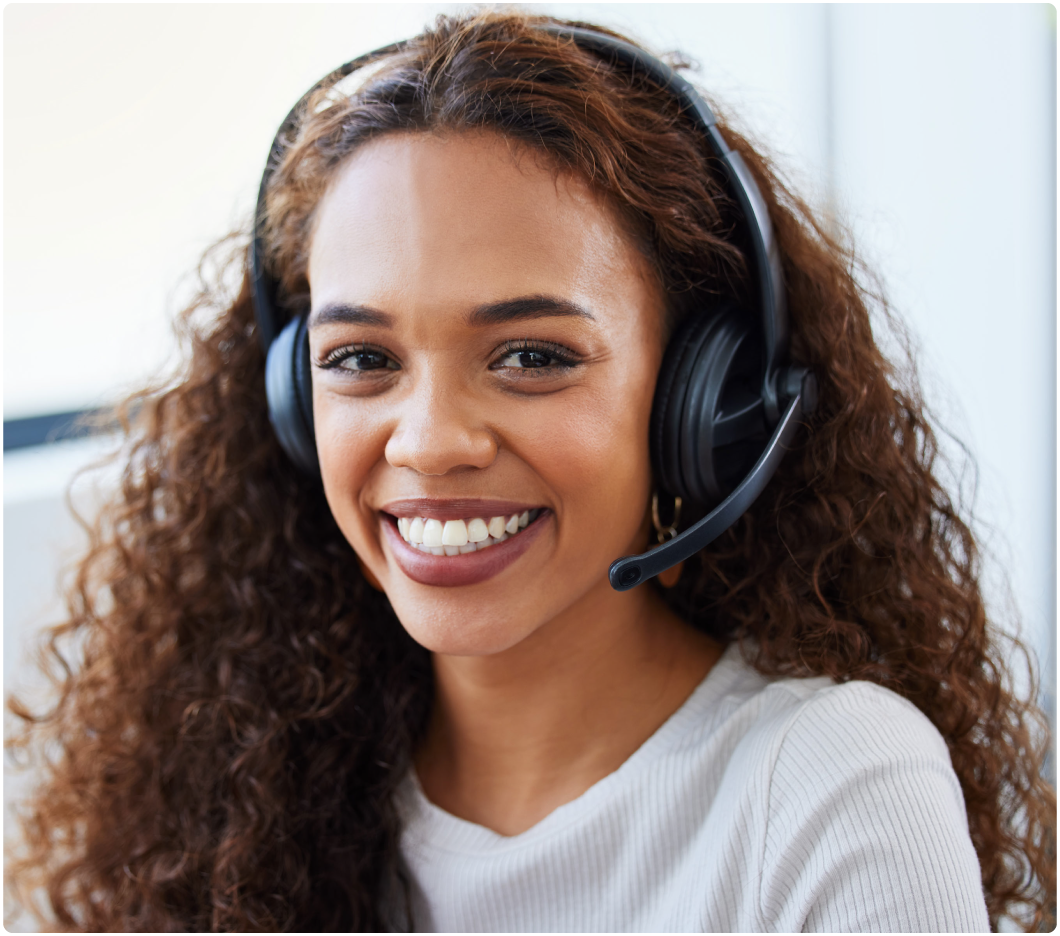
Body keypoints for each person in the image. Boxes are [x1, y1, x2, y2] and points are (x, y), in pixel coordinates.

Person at [7, 10, 1058, 932]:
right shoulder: (251, 793)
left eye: (532, 358)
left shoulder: (831, 789)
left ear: (706, 398)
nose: (427, 442)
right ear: (291, 403)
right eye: (361, 361)